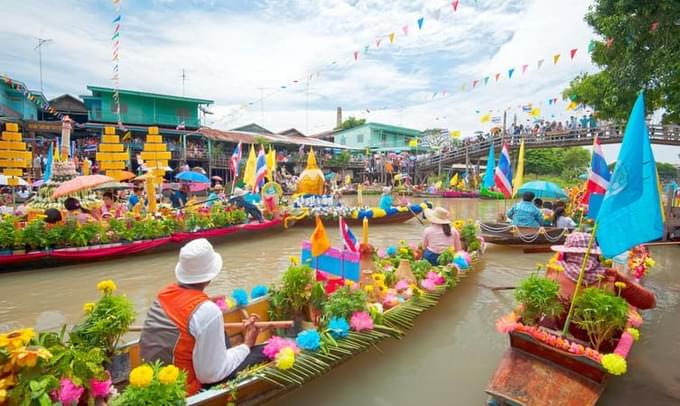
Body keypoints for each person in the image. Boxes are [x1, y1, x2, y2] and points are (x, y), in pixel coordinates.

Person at [139, 239, 267, 395]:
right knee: (266, 350)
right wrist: (246, 345)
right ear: (210, 276)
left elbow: (185, 312)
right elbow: (210, 375)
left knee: (222, 334)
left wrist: (206, 303)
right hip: (186, 389)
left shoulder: (164, 294)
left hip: (157, 377)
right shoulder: (207, 311)